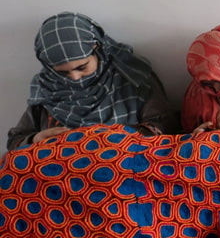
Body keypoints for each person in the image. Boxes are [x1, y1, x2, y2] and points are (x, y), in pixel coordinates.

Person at [7, 12, 178, 150]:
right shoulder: (46, 87)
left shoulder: (132, 78)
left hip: (126, 169)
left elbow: (167, 128)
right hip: (60, 175)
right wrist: (36, 139)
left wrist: (115, 136)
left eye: (82, 67)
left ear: (97, 49)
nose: (75, 78)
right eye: (62, 73)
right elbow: (15, 141)